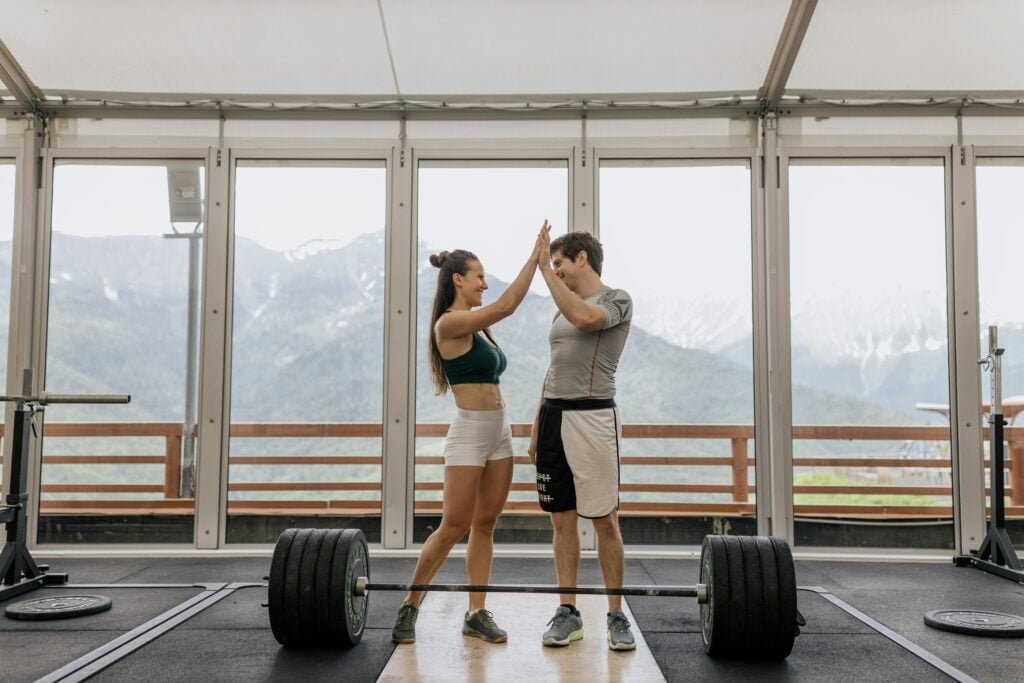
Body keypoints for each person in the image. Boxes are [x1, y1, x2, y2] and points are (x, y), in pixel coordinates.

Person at [391, 222, 548, 645]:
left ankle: (476, 612)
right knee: (453, 525)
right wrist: (534, 260)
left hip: (499, 432)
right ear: (458, 279)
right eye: (479, 276)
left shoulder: (476, 327)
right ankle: (410, 604)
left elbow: (496, 316)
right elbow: (504, 307)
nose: (484, 282)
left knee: (485, 524)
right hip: (469, 434)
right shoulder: (448, 324)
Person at [528, 227, 635, 651]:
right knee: (560, 519)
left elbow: (586, 320)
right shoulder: (561, 310)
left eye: (559, 264)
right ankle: (567, 612)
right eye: (551, 264)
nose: (555, 271)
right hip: (554, 415)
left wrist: (543, 273)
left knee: (605, 521)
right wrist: (537, 424)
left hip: (593, 417)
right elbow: (553, 368)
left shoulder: (616, 299)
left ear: (582, 260)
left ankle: (615, 614)